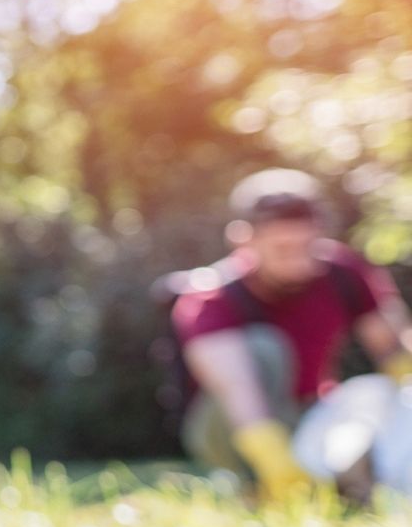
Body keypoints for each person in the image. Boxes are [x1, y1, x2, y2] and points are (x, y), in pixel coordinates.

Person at [173, 169, 412, 499]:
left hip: (312, 411)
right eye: (284, 249)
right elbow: (237, 389)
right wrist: (271, 455)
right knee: (265, 348)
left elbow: (392, 348)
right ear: (244, 239)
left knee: (371, 392)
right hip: (237, 424)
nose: (299, 261)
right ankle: (255, 481)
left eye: (308, 246)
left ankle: (343, 480)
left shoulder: (342, 272)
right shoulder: (211, 298)